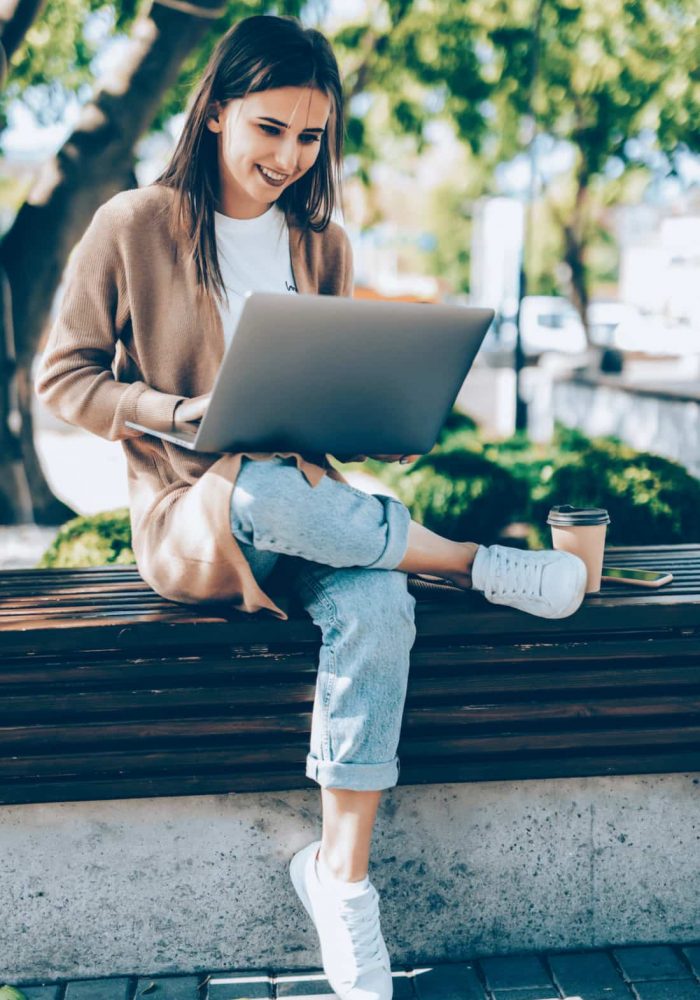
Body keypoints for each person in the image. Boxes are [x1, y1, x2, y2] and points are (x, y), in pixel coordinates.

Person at [35, 14, 587, 1000]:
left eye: (309, 136)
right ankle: (470, 561)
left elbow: (321, 410)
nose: (289, 156)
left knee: (378, 606)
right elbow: (61, 381)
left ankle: (338, 881)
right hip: (197, 514)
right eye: (269, 129)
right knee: (258, 485)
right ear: (215, 114)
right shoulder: (135, 224)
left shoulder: (320, 240)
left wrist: (379, 417)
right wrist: (176, 412)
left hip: (314, 506)